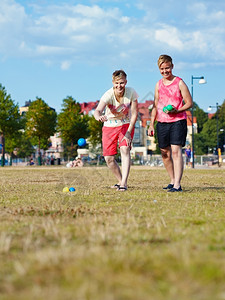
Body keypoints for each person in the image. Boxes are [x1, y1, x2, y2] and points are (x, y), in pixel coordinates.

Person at [148, 55, 192, 192]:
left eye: (167, 68)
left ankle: (178, 185)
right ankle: (172, 180)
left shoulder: (179, 82)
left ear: (172, 66)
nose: (165, 71)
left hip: (178, 121)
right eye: (162, 69)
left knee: (175, 151)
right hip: (161, 122)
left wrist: (177, 110)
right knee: (165, 153)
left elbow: (189, 103)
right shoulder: (158, 84)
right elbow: (155, 105)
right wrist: (151, 124)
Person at [94, 70, 138, 191]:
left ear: (126, 82)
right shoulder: (108, 95)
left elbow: (134, 114)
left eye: (122, 83)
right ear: (113, 82)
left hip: (125, 124)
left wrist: (128, 132)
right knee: (109, 159)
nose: (119, 86)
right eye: (117, 83)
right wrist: (98, 117)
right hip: (109, 126)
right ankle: (120, 181)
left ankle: (124, 183)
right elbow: (97, 111)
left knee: (124, 149)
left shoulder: (131, 92)